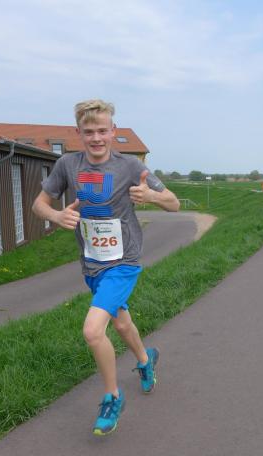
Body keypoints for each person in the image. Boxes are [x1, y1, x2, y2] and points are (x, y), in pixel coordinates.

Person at [32, 99, 180, 436]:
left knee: (92, 330)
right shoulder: (67, 165)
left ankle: (113, 397)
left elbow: (174, 203)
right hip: (91, 264)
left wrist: (152, 197)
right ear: (78, 133)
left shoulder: (130, 166)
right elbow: (39, 204)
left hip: (123, 262)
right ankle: (146, 360)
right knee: (121, 322)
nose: (96, 138)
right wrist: (56, 215)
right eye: (89, 132)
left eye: (102, 131)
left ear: (114, 131)